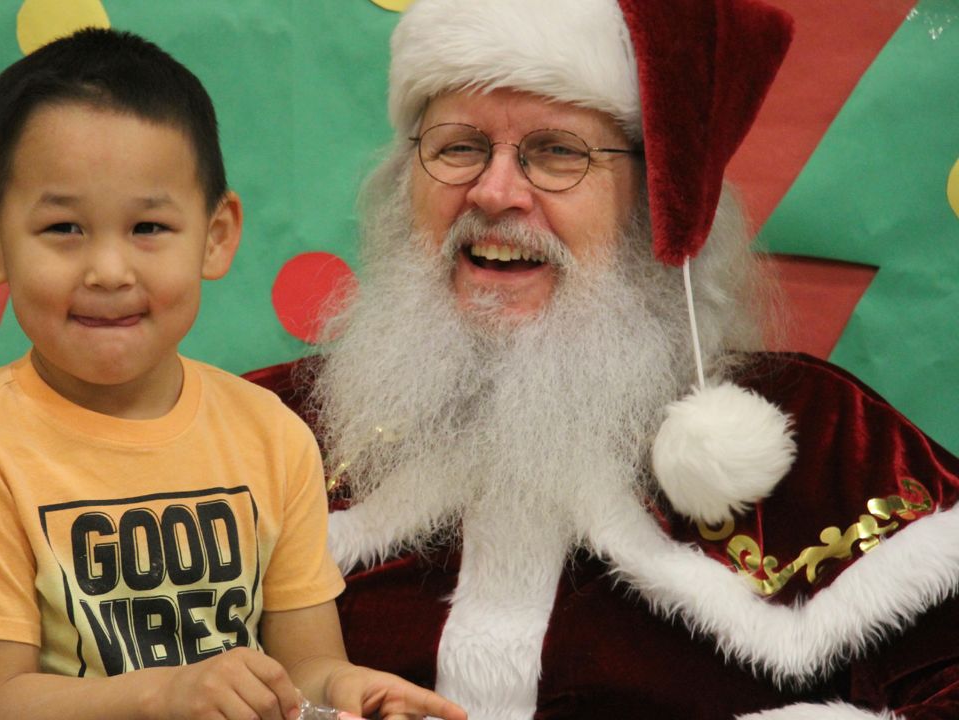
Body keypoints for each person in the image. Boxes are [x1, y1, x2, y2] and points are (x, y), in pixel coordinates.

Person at [245, 1, 959, 719]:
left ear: (657, 203)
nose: (494, 192)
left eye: (558, 152)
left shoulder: (828, 440)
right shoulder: (267, 433)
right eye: (457, 147)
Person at [0, 28, 466, 720]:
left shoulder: (271, 435)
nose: (109, 271)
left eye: (149, 229)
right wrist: (167, 693)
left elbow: (306, 665)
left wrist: (351, 693)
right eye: (64, 230)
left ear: (216, 234)